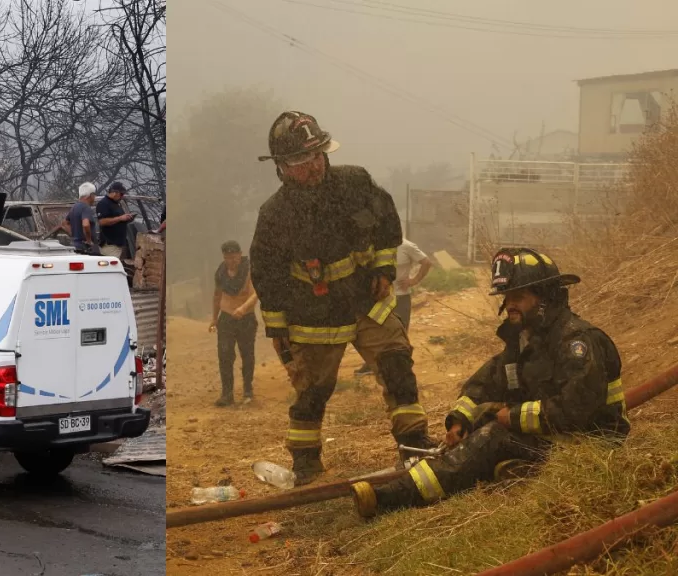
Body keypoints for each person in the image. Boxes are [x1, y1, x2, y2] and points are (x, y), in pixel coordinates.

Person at [351, 247, 630, 518]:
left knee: (494, 435)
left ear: (546, 297)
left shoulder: (577, 342)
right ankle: (518, 468)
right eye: (506, 297)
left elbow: (574, 411)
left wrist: (511, 417)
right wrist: (460, 420)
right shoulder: (525, 340)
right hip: (555, 441)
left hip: (591, 448)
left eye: (518, 297)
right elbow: (484, 383)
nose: (509, 305)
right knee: (485, 420)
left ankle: (392, 498)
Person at [249, 111, 434, 486]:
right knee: (313, 390)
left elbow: (387, 225)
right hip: (313, 312)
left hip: (365, 299)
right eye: (302, 161)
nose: (313, 166)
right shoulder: (274, 215)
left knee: (397, 363)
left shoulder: (356, 182)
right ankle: (306, 464)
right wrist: (277, 327)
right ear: (282, 167)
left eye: (317, 156)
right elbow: (267, 274)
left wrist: (383, 271)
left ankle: (414, 443)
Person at [355, 239, 432, 376]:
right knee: (376, 333)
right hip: (380, 298)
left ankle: (402, 370)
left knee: (400, 335)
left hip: (400, 298)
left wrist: (414, 280)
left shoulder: (407, 246)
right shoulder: (375, 246)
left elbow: (426, 262)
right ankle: (371, 365)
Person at [210, 241, 259, 407]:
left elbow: (255, 294)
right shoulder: (221, 273)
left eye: (234, 257)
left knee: (247, 355)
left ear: (240, 254)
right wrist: (214, 319)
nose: (231, 261)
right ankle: (227, 394)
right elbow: (217, 296)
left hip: (246, 319)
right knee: (224, 356)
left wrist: (243, 308)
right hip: (226, 319)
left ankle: (248, 391)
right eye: (227, 258)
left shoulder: (249, 270)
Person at [96, 181, 136, 258]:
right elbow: (102, 222)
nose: (122, 197)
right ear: (115, 192)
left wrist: (127, 218)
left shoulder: (115, 204)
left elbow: (118, 219)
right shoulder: (103, 204)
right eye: (121, 194)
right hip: (110, 245)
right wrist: (121, 218)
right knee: (110, 268)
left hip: (117, 244)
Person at [66, 182, 100, 254]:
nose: (94, 197)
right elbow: (85, 224)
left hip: (76, 246)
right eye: (94, 195)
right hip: (86, 248)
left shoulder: (74, 207)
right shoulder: (86, 207)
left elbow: (65, 223)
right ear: (91, 195)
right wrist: (89, 240)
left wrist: (73, 234)